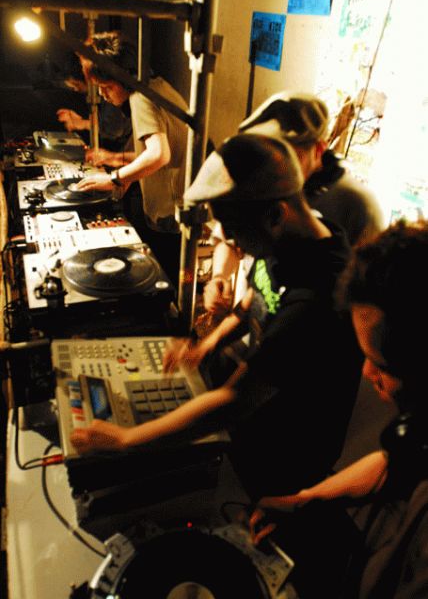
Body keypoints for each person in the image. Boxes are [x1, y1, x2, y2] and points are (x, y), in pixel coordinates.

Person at [71, 127, 363, 506]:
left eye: (236, 231)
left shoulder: (318, 298)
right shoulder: (302, 237)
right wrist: (206, 345)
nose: (232, 242)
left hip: (291, 449)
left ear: (276, 215)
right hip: (263, 418)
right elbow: (257, 298)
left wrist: (126, 440)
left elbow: (234, 400)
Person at [249, 220, 428, 598]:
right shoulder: (418, 433)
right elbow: (395, 457)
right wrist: (303, 501)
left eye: (381, 365)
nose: (366, 373)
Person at [203, 91, 385, 317]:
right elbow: (229, 239)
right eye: (267, 151)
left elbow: (368, 294)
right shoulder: (258, 178)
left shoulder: (358, 205)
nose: (274, 162)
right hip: (253, 315)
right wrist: (220, 276)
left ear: (318, 150)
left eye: (286, 152)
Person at [74, 31, 189, 286]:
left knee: (161, 282)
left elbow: (159, 154)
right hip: (177, 207)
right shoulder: (156, 85)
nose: (103, 95)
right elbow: (160, 149)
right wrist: (119, 161)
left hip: (170, 211)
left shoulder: (140, 98)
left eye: (106, 87)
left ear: (122, 78)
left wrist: (114, 179)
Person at [56, 51, 133, 153]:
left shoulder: (113, 95)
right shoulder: (103, 93)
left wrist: (83, 123)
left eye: (76, 84)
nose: (102, 92)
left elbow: (113, 129)